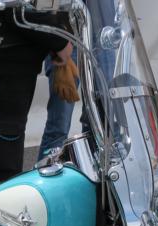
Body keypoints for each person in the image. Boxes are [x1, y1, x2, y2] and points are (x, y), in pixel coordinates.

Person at [0, 1, 72, 183]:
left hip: (5, 62)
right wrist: (60, 40)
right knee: (0, 165)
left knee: (3, 158)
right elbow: (19, 6)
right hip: (1, 63)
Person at [38, 0, 116, 158]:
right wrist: (56, 41)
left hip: (103, 37)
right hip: (65, 37)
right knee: (59, 125)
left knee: (101, 121)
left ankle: (97, 167)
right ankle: (47, 169)